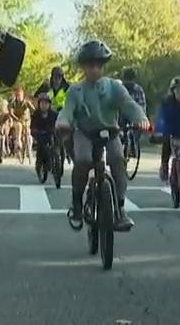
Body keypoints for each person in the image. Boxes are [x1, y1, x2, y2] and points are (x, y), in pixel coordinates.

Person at [55, 40, 150, 231]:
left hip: (110, 132)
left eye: (98, 65)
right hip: (85, 133)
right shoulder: (75, 91)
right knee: (82, 160)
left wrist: (141, 118)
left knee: (118, 159)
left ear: (103, 66)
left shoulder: (114, 87)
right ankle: (77, 204)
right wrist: (63, 122)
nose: (94, 69)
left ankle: (120, 208)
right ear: (83, 67)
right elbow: (67, 110)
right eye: (90, 65)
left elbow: (129, 105)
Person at [29, 92, 58, 165]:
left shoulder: (53, 114)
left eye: (46, 103)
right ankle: (40, 161)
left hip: (51, 134)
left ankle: (54, 160)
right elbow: (32, 125)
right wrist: (34, 131)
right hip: (40, 134)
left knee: (55, 144)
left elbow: (58, 124)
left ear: (49, 104)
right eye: (42, 103)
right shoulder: (36, 114)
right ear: (39, 104)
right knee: (41, 146)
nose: (44, 105)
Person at [8, 86, 34, 162]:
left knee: (28, 133)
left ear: (23, 95)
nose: (18, 97)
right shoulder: (13, 103)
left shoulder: (26, 102)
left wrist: (34, 114)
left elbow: (33, 109)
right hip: (17, 120)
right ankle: (18, 141)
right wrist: (15, 117)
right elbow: (10, 112)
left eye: (20, 95)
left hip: (26, 120)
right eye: (17, 95)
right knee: (18, 126)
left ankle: (29, 149)